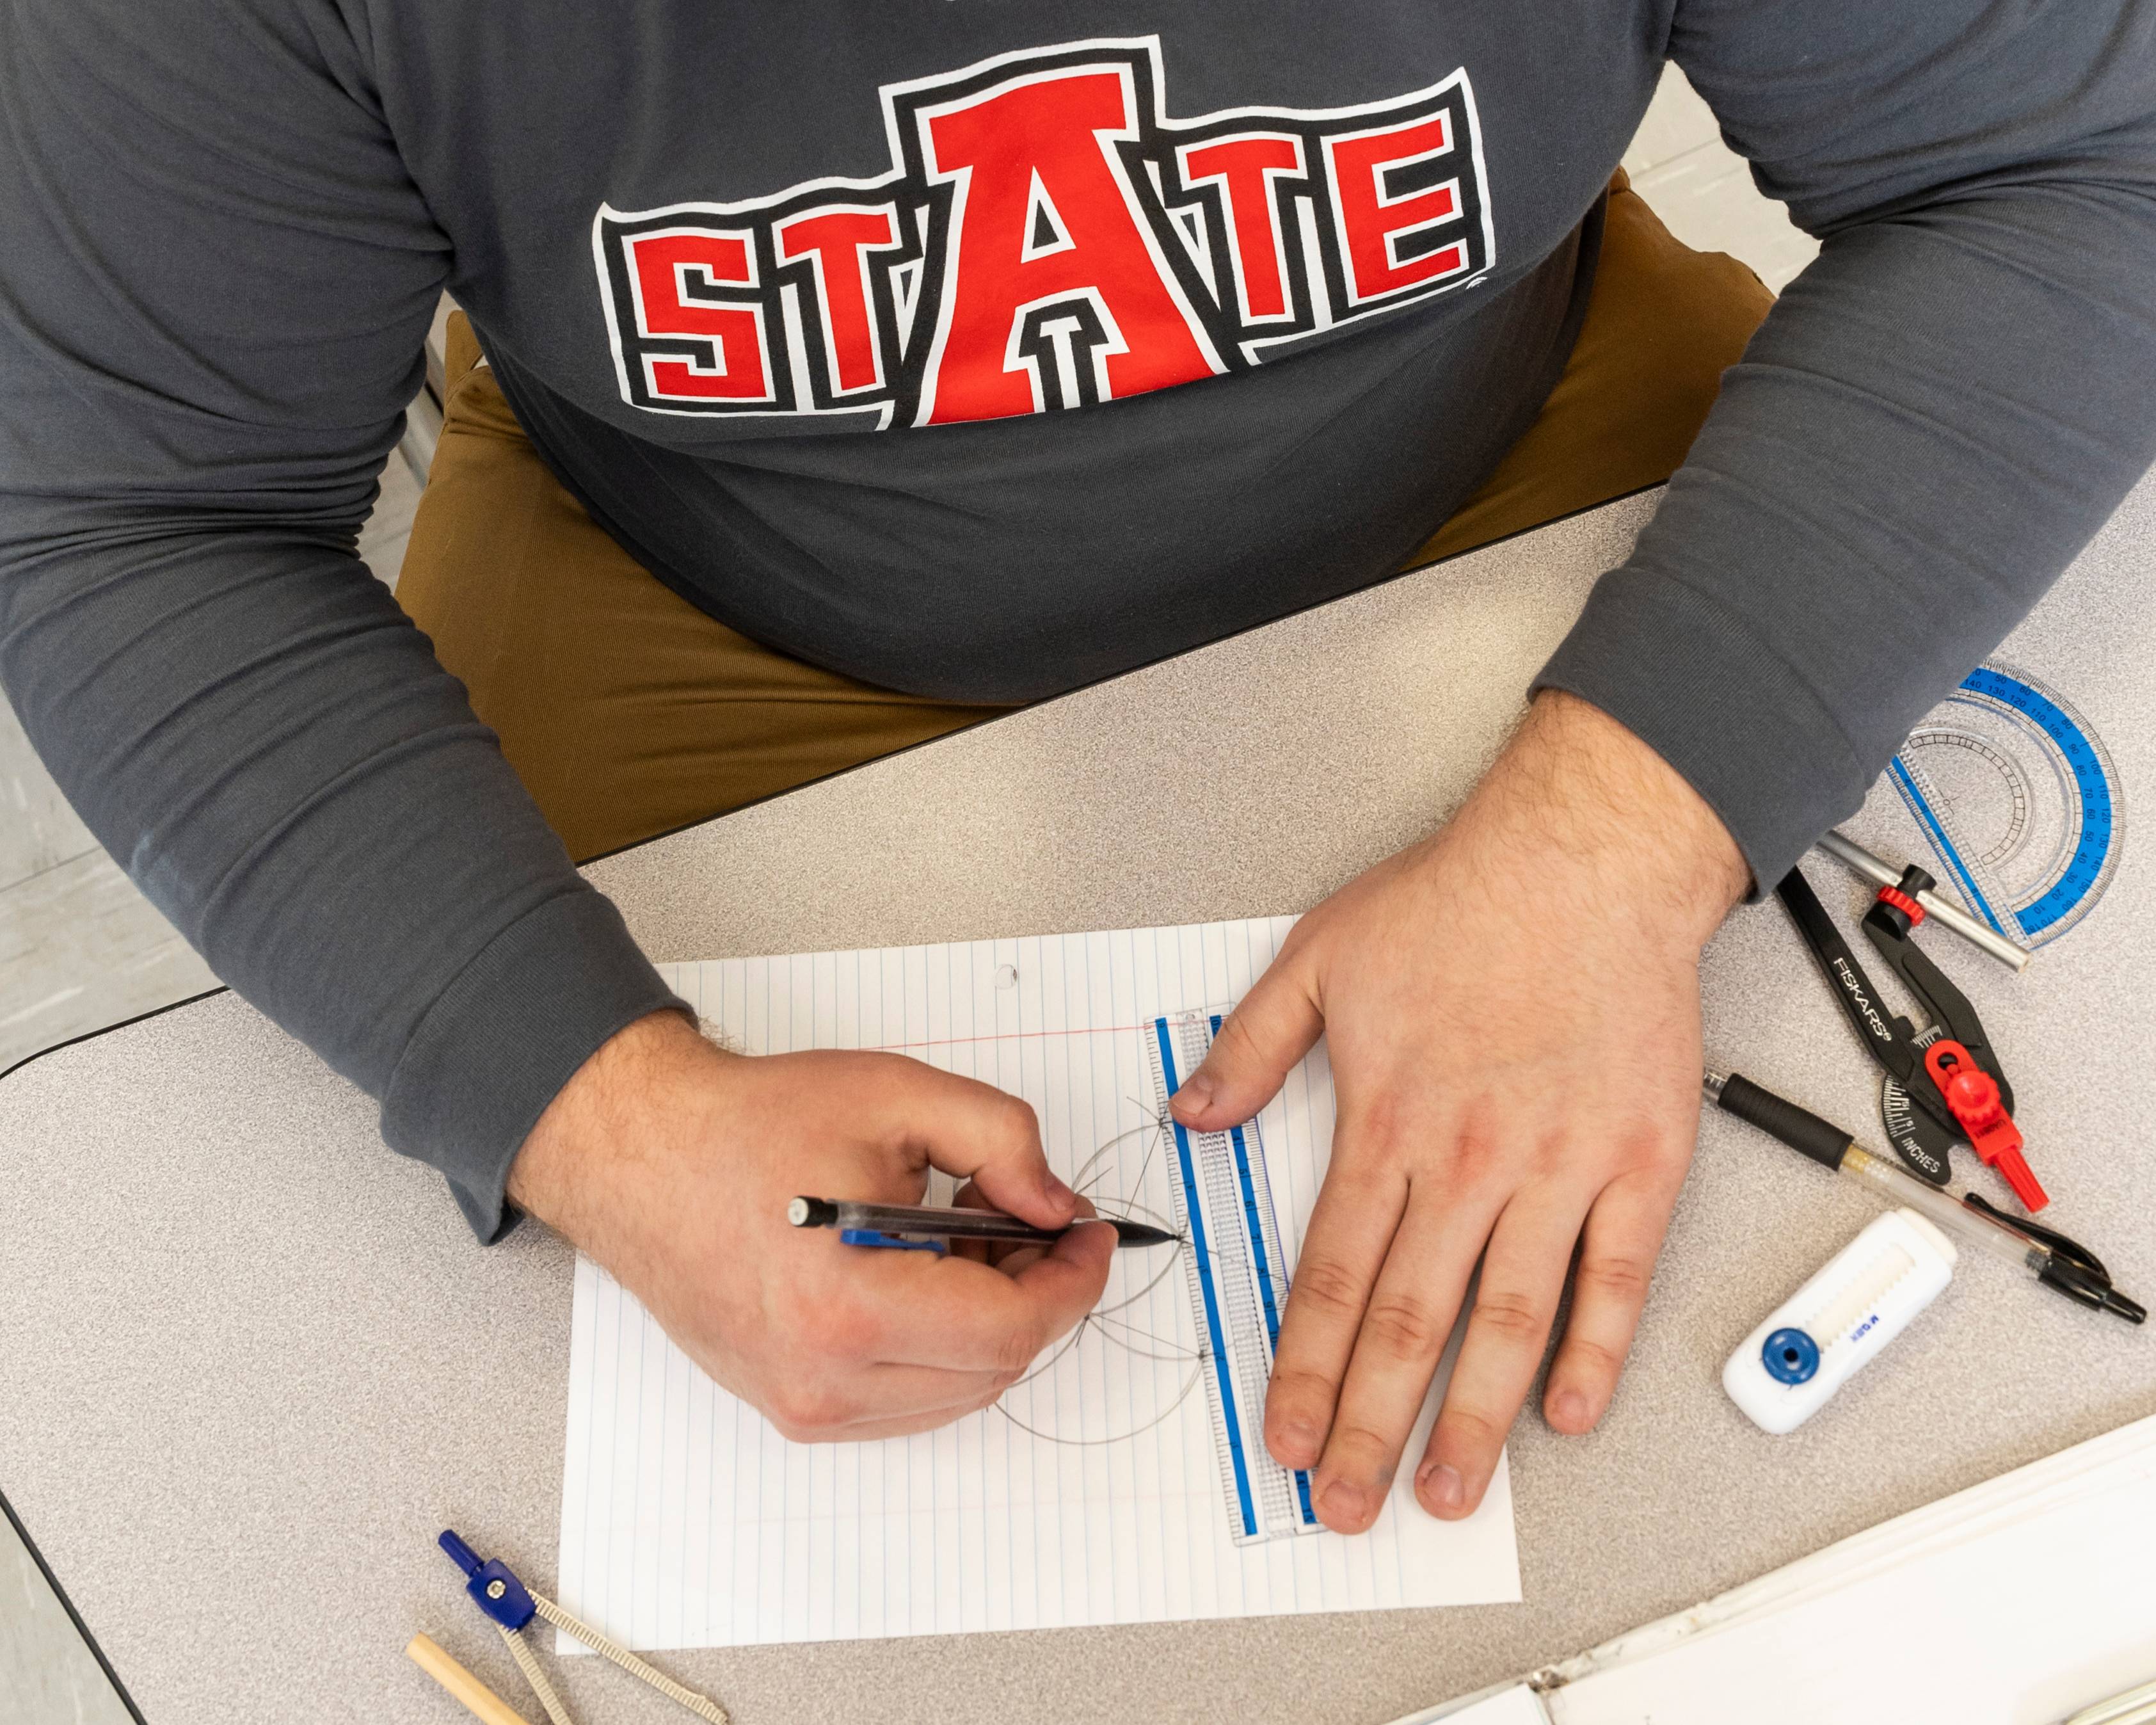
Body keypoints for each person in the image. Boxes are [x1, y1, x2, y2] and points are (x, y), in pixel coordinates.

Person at [3, 1, 2153, 1540]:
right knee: (490, 1406)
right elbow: (116, 519)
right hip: (702, 558)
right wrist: (595, 1114)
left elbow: (2078, 165)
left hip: (1513, 427)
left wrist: (1620, 834)